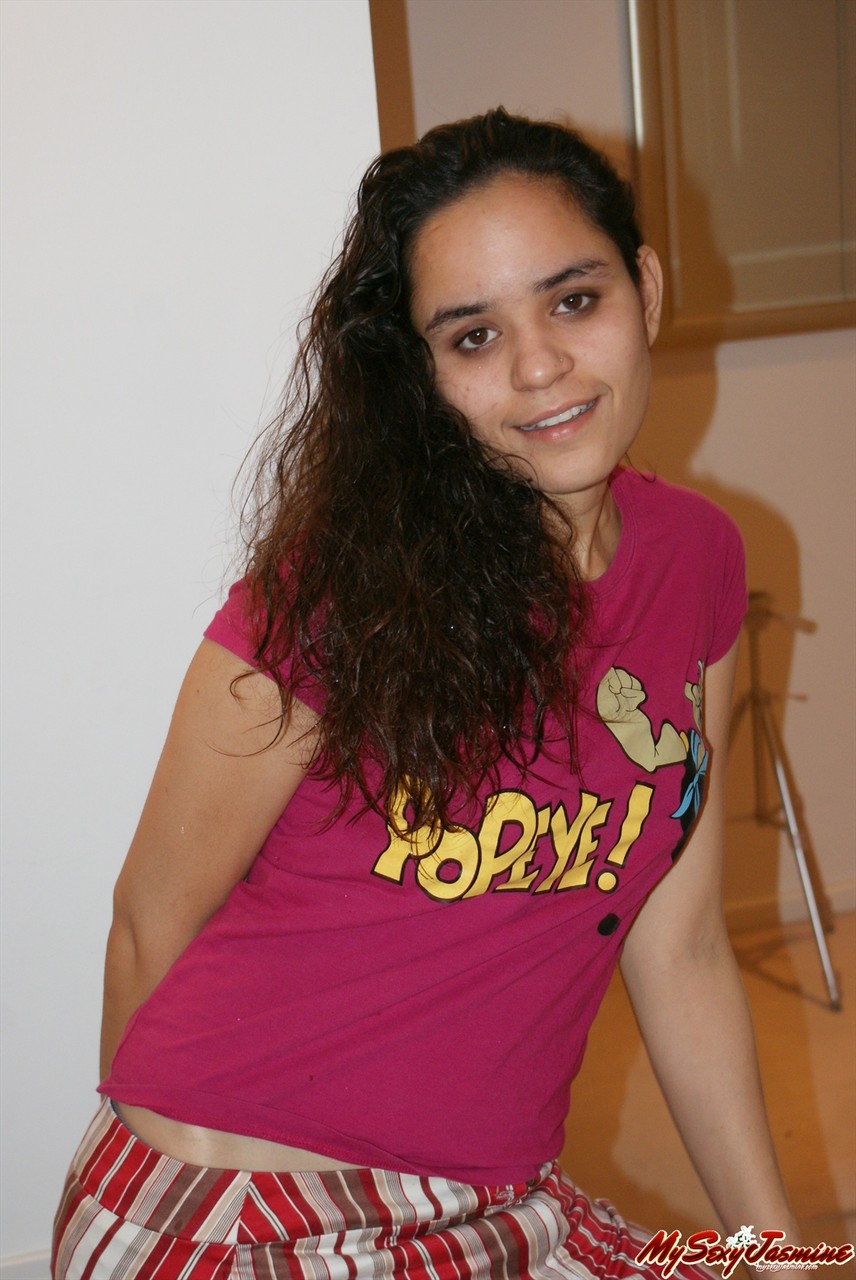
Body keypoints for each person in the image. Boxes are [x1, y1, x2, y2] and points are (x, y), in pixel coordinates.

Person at [52, 109, 800, 1279]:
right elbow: (150, 918)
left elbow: (685, 946)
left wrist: (780, 1255)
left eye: (573, 300)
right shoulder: (335, 593)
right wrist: (158, 1202)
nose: (539, 366)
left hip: (490, 1196)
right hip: (240, 1208)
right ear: (422, 374)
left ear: (646, 290)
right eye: (472, 335)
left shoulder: (696, 557)